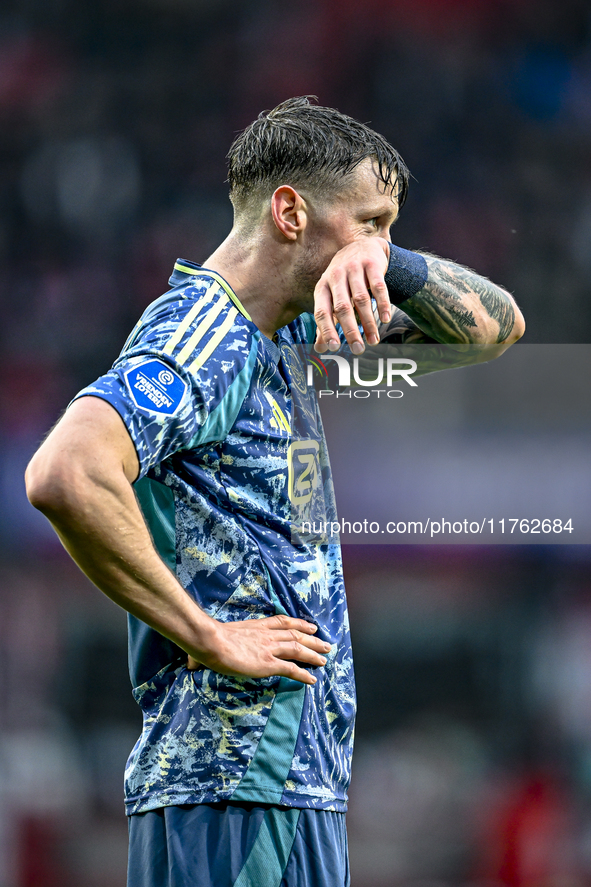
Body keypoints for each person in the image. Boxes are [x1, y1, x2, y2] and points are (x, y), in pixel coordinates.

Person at [25, 97, 524, 887]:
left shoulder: (287, 335)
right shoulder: (207, 333)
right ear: (291, 212)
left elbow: (494, 331)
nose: (380, 243)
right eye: (371, 220)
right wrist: (206, 634)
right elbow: (66, 472)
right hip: (234, 785)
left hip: (279, 789)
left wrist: (388, 263)